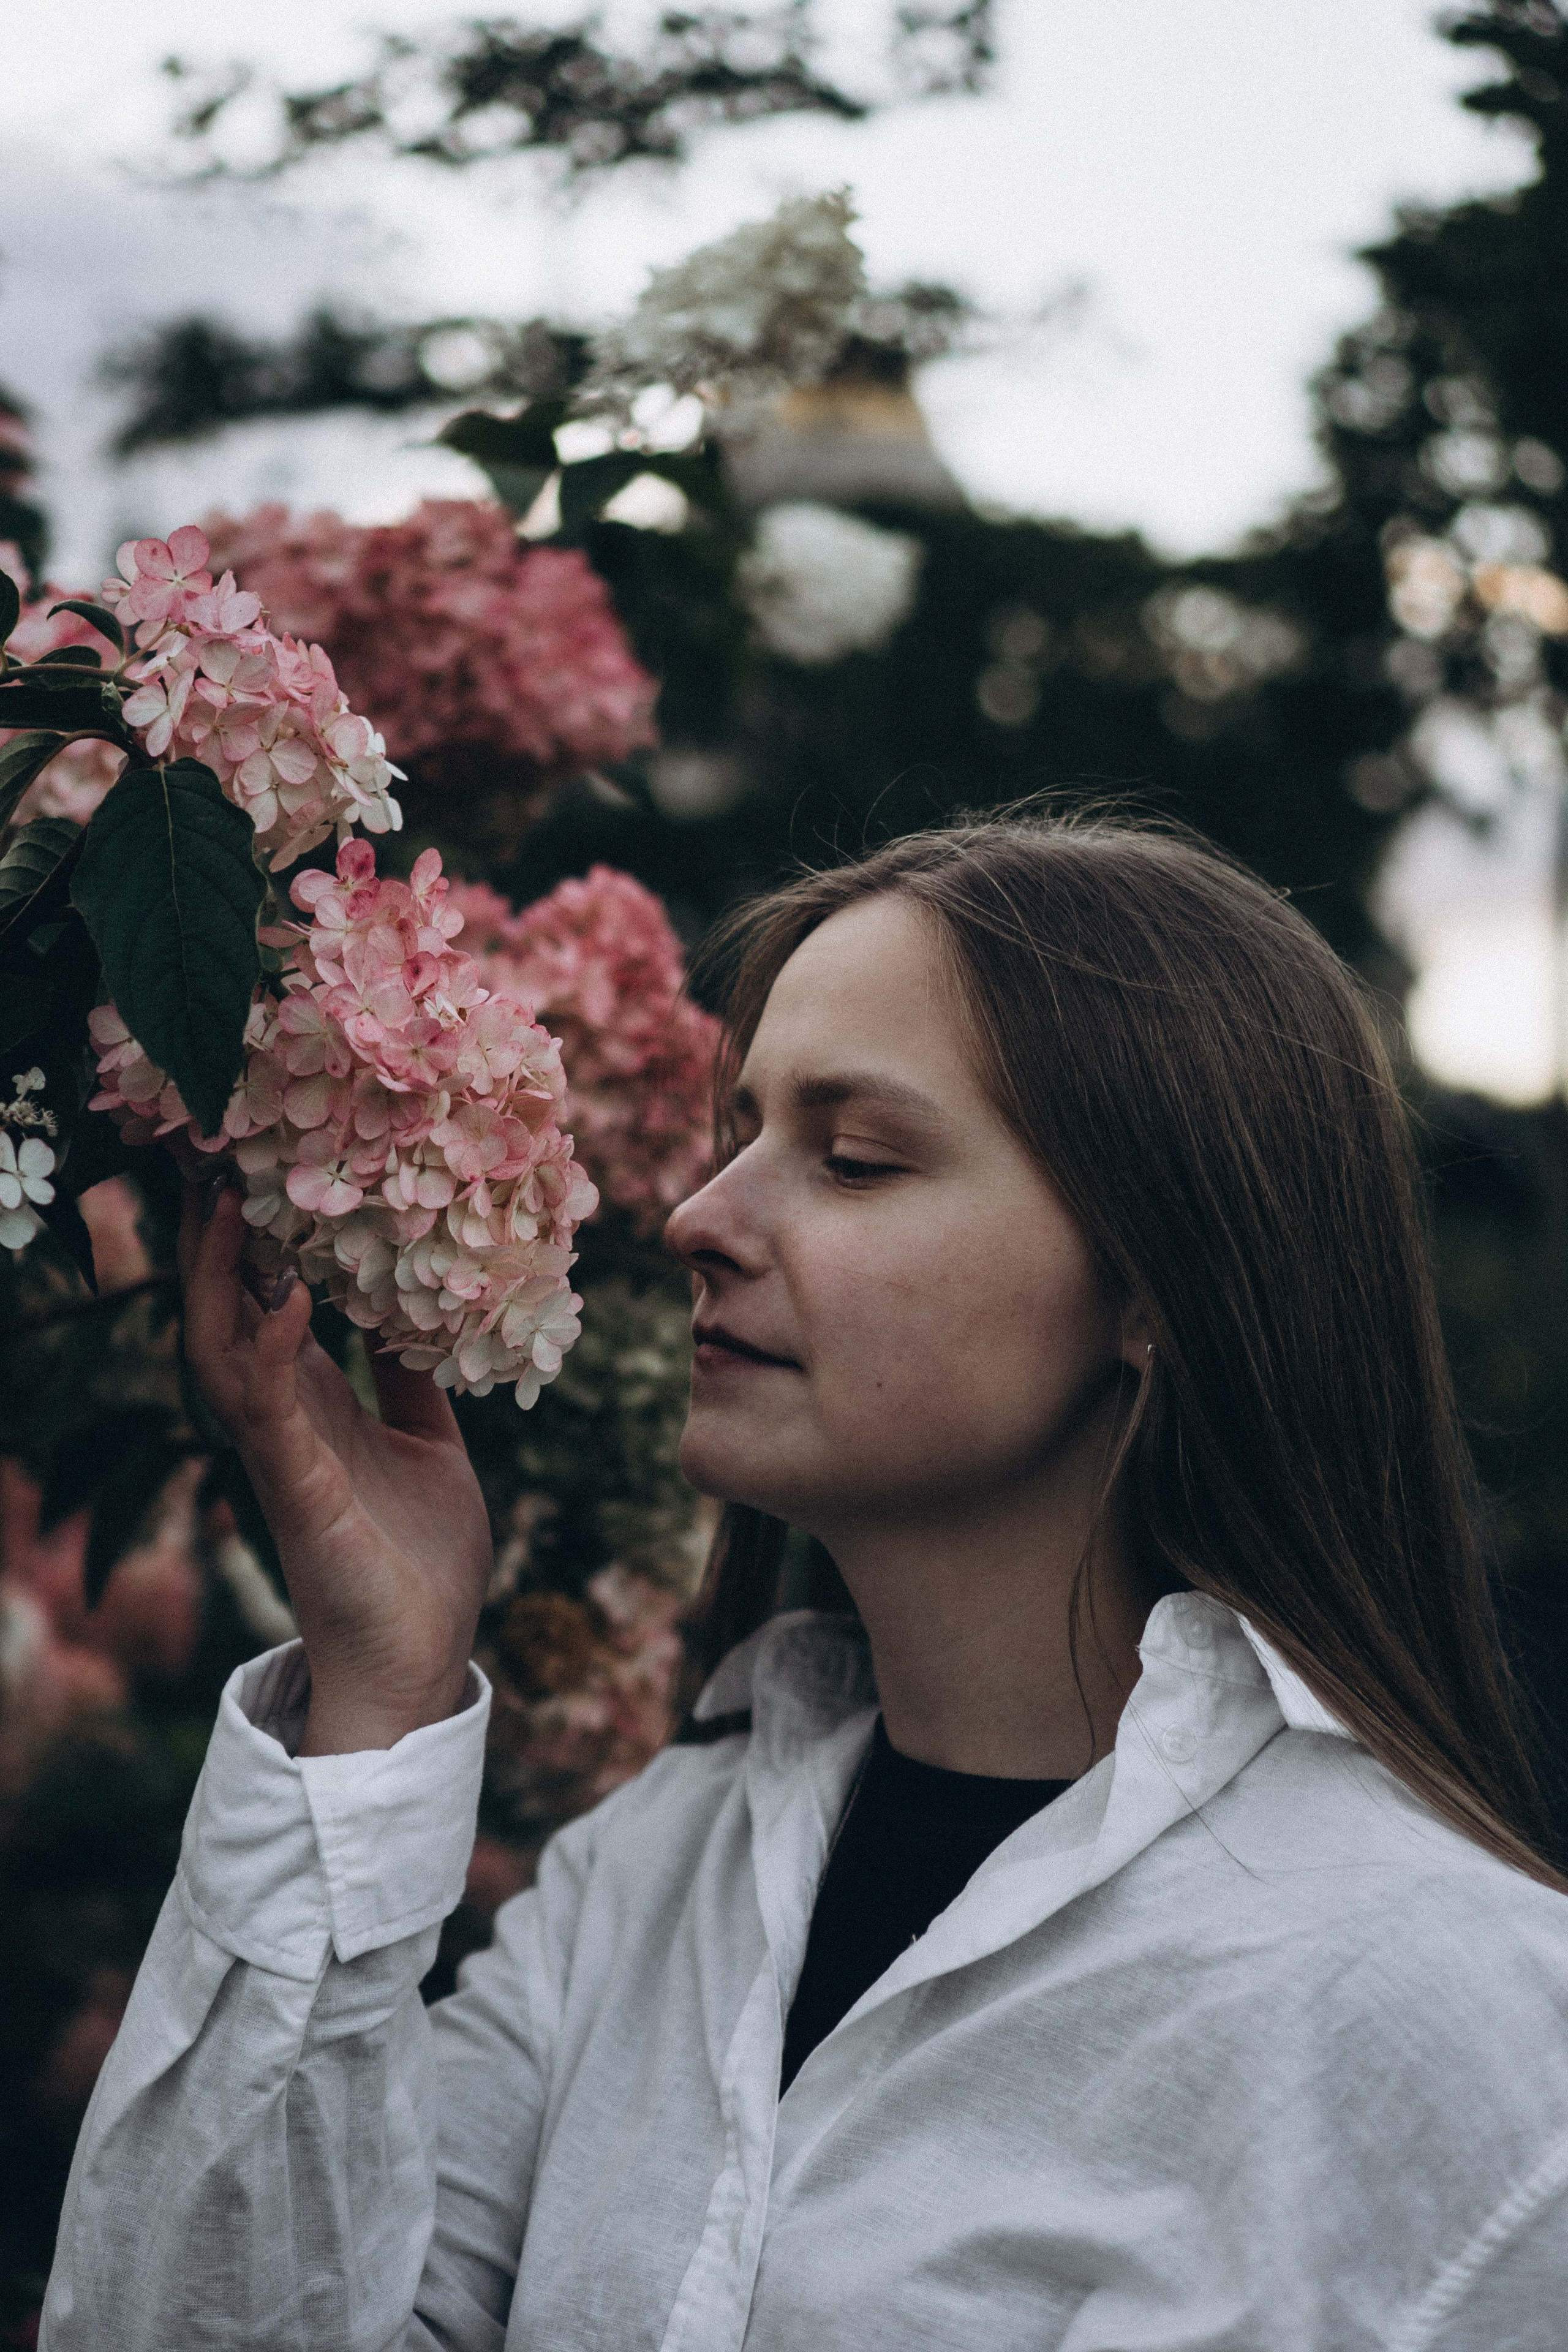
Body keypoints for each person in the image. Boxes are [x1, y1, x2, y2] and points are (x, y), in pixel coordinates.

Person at [40, 816, 1568, 2351]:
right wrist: (379, 1687)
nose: (700, 1221)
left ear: (1160, 1287)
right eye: (742, 1135)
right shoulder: (647, 1879)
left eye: (852, 1159)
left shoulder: (1451, 2020)